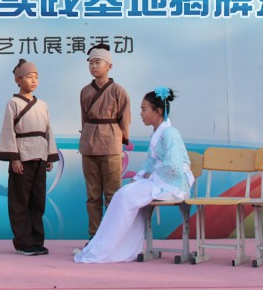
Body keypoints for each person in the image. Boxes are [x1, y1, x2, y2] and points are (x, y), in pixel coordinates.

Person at [74, 87, 194, 263]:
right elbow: (150, 162)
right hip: (159, 181)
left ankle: (110, 248)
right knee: (121, 194)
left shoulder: (170, 133)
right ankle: (106, 245)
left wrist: (151, 177)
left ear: (157, 111)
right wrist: (137, 178)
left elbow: (174, 166)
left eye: (144, 109)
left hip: (173, 184)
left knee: (126, 197)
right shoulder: (158, 132)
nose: (141, 114)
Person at [0, 59, 59, 256]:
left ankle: (37, 241)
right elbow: (8, 131)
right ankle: (23, 243)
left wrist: (49, 155)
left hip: (40, 156)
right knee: (20, 201)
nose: (33, 81)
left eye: (36, 77)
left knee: (37, 201)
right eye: (29, 77)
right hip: (22, 157)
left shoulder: (43, 105)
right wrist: (14, 158)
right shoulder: (13, 103)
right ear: (18, 80)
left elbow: (48, 130)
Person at [78, 43, 131, 240]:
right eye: (90, 62)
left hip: (110, 144)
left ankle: (113, 238)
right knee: (92, 195)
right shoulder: (85, 91)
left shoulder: (118, 91)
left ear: (109, 66)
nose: (93, 66)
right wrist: (85, 137)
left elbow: (125, 118)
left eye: (97, 62)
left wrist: (122, 137)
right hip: (89, 145)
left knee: (113, 194)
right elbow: (84, 118)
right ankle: (94, 236)